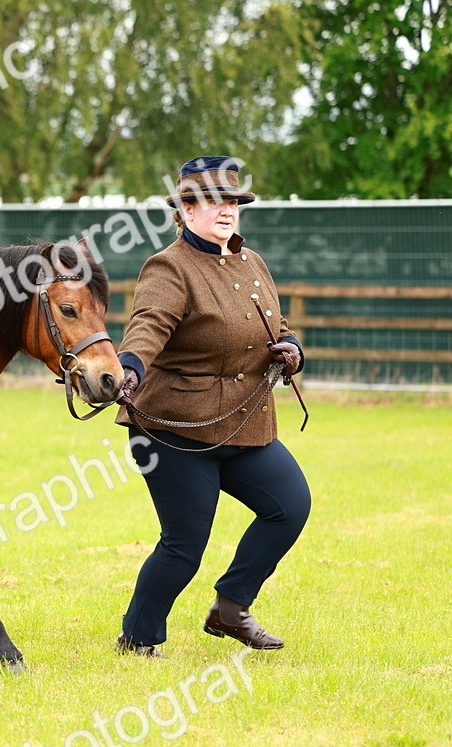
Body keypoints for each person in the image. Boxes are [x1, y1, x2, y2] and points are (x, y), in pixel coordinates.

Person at [112, 155, 311, 658]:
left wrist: (292, 348)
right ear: (185, 210)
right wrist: (129, 367)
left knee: (289, 506)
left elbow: (277, 327)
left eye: (233, 202)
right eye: (212, 202)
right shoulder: (169, 267)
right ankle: (137, 638)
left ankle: (231, 607)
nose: (226, 211)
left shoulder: (251, 262)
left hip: (245, 422)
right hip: (174, 428)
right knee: (184, 545)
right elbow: (149, 324)